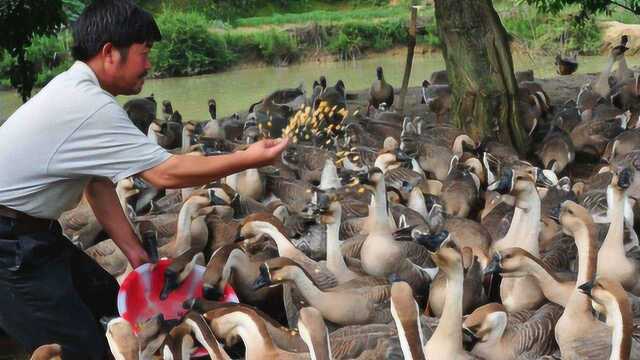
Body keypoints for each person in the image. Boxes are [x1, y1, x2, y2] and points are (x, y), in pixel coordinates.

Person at [0, 1, 288, 358]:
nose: (149, 65)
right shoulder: (89, 105)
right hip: (10, 246)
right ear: (110, 53)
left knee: (109, 303)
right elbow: (163, 172)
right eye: (144, 53)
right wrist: (248, 157)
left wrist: (135, 254)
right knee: (83, 351)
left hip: (30, 235)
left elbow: (96, 184)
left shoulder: (73, 89)